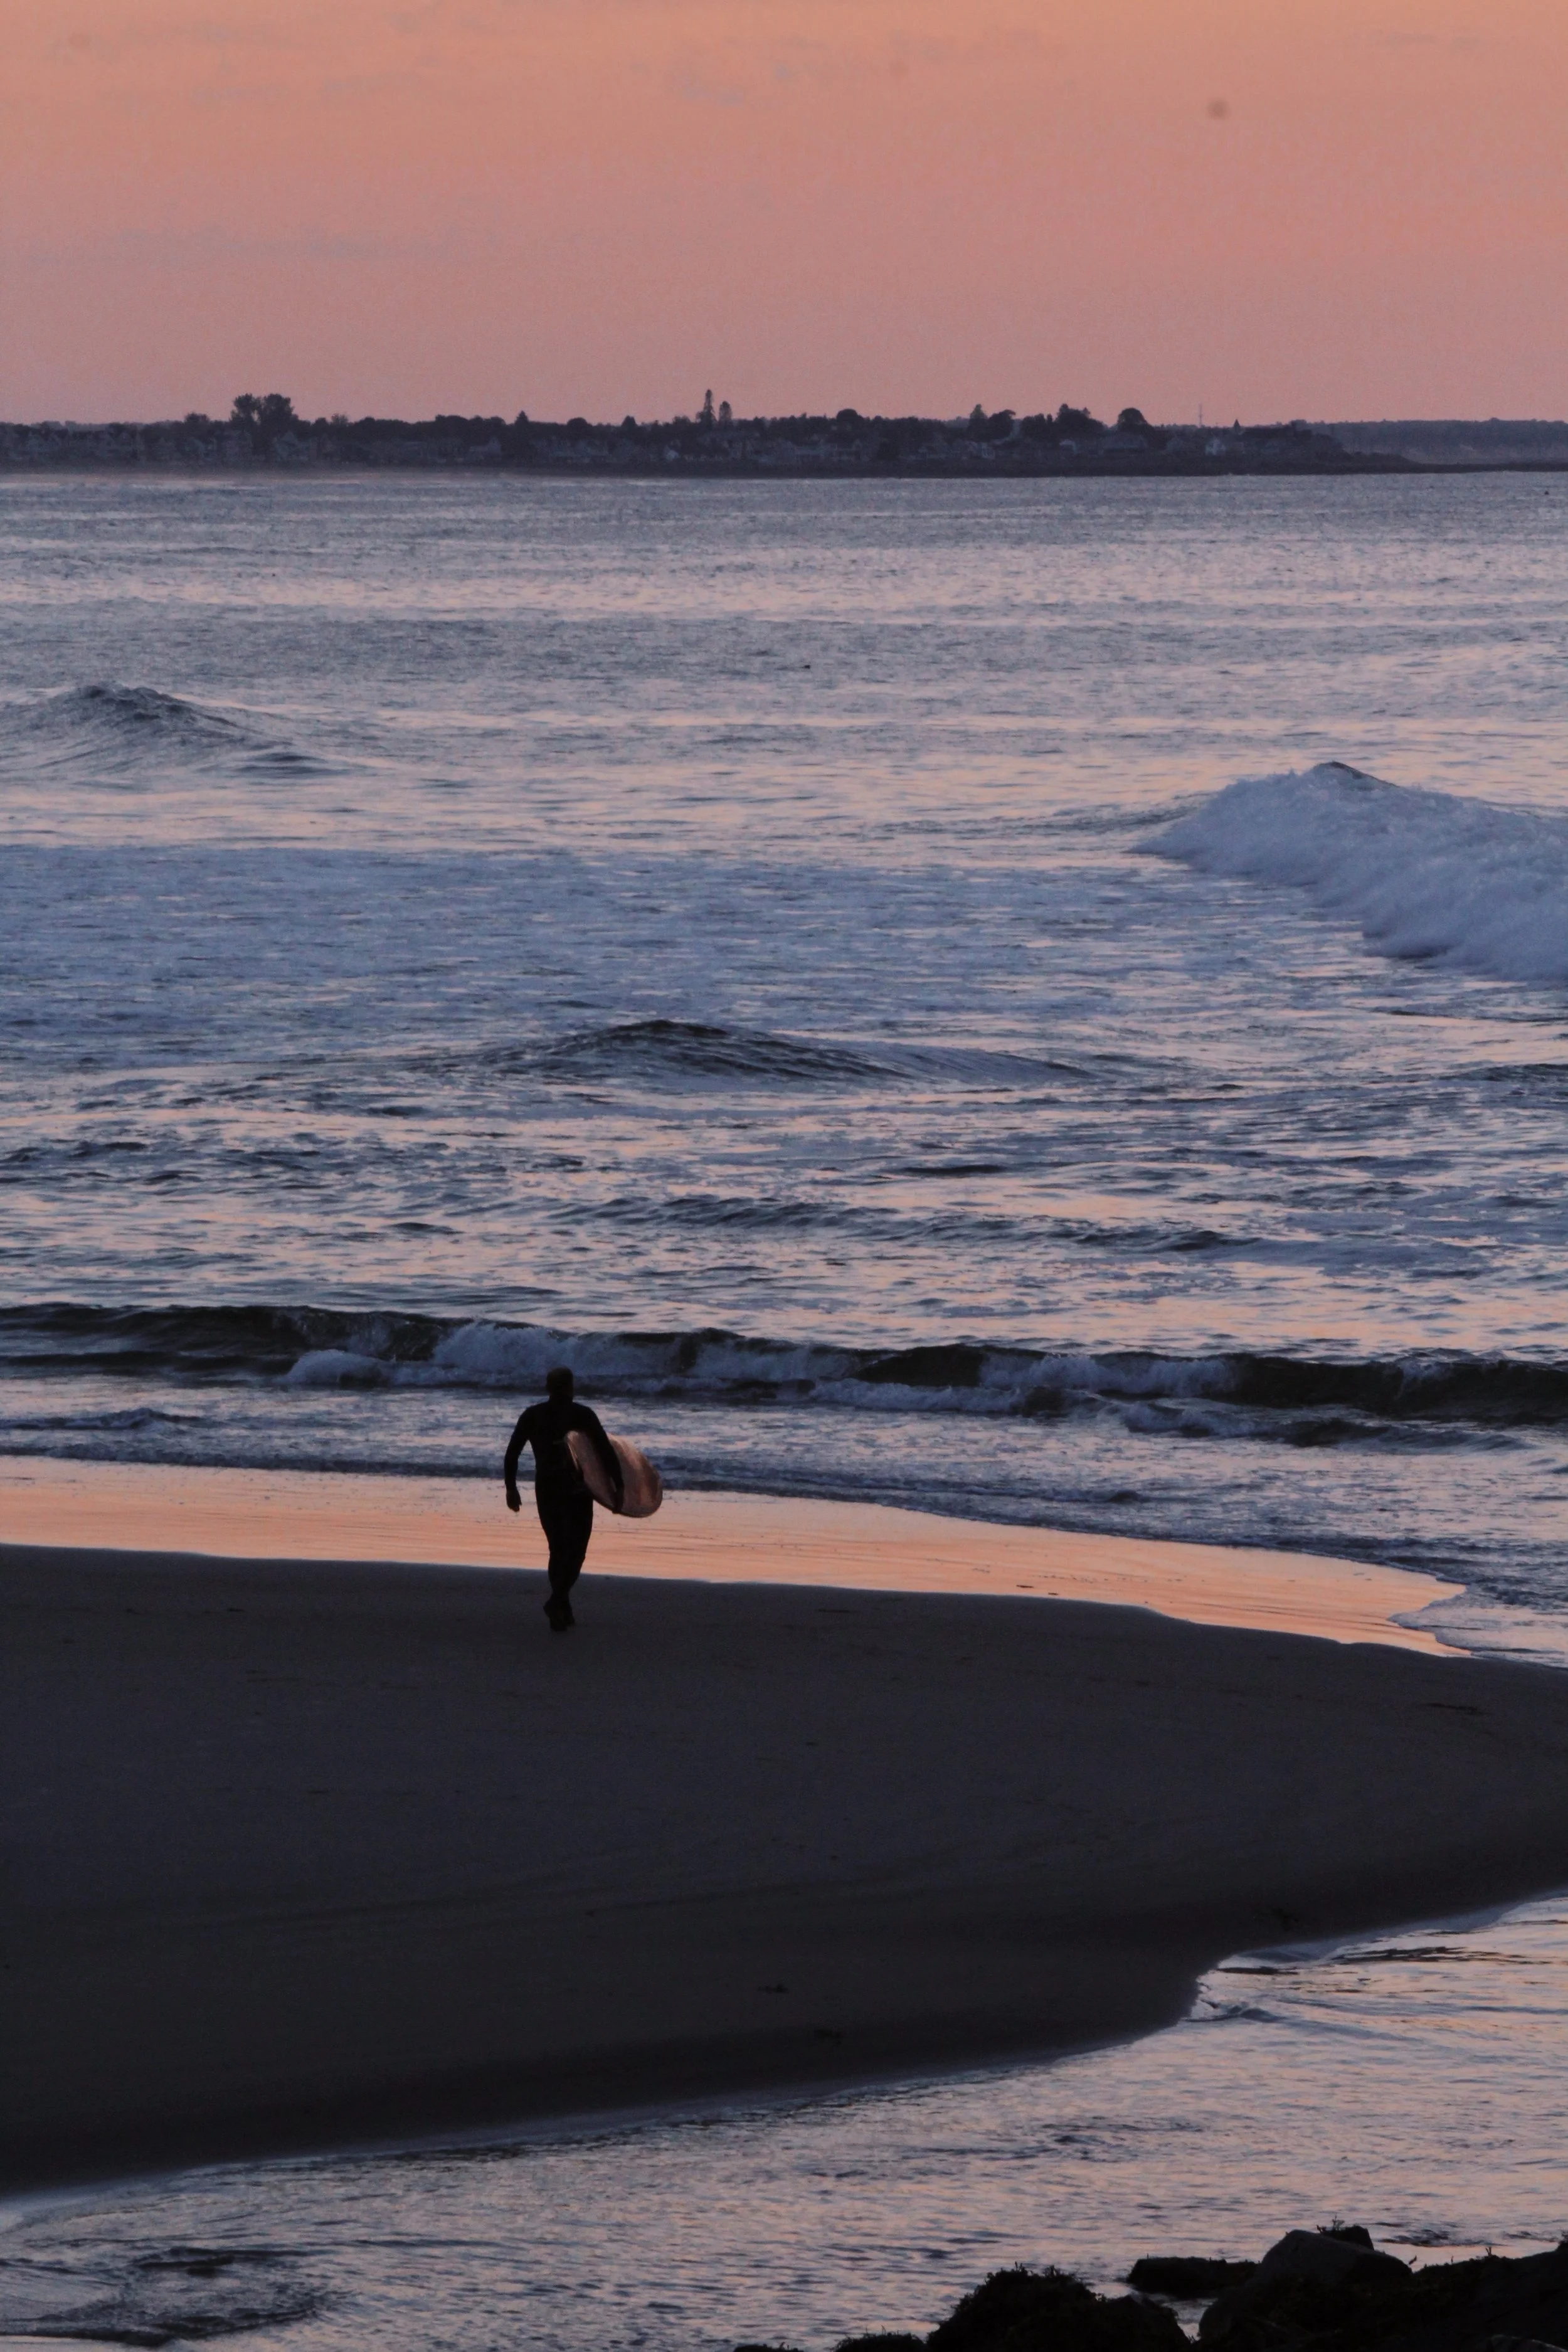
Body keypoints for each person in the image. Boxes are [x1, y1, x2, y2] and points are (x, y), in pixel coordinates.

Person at [504, 1367, 623, 1631]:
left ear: (548, 1387)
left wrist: (511, 1489)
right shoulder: (583, 1415)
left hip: (546, 1487)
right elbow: (605, 1452)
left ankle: (561, 1605)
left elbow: (512, 1454)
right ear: (571, 1387)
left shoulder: (532, 1415)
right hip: (577, 1490)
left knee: (558, 1549)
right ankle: (558, 1601)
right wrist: (619, 1488)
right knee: (576, 1552)